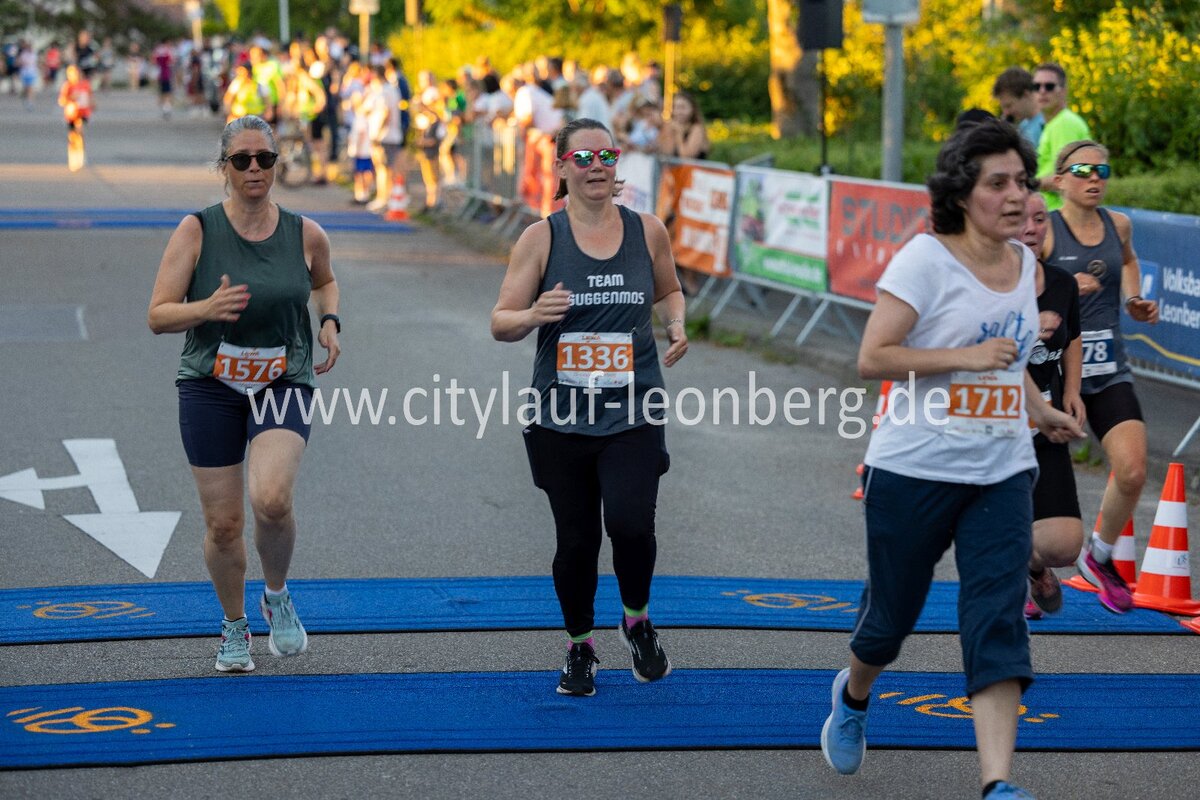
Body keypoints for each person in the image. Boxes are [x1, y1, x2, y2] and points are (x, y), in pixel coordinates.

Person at [820, 118, 1082, 799]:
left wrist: (1041, 411)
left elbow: (1009, 362)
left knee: (997, 618)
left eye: (1022, 181)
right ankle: (853, 696)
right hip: (914, 467)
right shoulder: (924, 261)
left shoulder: (1022, 264)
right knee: (890, 621)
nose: (1017, 196)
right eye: (998, 183)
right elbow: (874, 356)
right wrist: (965, 356)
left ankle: (998, 783)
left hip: (1001, 469)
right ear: (962, 194)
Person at [491, 118, 688, 698]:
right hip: (561, 418)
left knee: (631, 524)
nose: (596, 166)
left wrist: (676, 323)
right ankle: (580, 645)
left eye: (606, 155)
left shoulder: (647, 230)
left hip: (633, 411)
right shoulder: (541, 238)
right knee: (576, 543)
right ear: (561, 167)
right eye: (582, 157)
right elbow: (500, 321)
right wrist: (533, 315)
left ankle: (637, 620)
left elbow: (668, 289)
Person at [147, 115, 341, 673]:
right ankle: (234, 626)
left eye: (265, 159)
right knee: (224, 523)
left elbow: (325, 281)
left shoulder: (305, 233)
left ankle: (276, 595)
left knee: (272, 499)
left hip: (282, 377)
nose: (254, 169)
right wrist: (205, 308)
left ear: (276, 164)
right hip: (210, 385)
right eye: (242, 160)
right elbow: (158, 314)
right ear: (224, 167)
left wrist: (330, 322)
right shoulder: (197, 231)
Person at [1042, 139, 1160, 614]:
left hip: (1108, 367)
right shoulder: (1046, 232)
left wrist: (1133, 298)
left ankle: (1099, 555)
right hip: (1052, 373)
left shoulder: (1119, 225)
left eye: (1102, 170)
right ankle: (1032, 569)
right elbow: (1020, 288)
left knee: (1133, 470)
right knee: (1035, 481)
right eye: (1082, 170)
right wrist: (1064, 287)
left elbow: (1127, 260)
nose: (1094, 178)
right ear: (1059, 180)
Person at [1020, 191, 1085, 620]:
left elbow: (1073, 337)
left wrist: (1072, 391)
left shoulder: (1062, 283)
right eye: (1021, 219)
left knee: (1064, 545)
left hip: (1045, 427)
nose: (1031, 228)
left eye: (1040, 219)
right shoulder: (985, 286)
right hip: (990, 427)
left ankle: (1028, 564)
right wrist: (1027, 328)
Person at [1031, 63, 1089, 211]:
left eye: (1049, 86)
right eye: (1036, 86)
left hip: (1060, 216)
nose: (1042, 91)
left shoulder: (1064, 124)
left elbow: (1070, 178)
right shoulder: (1055, 123)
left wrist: (1030, 183)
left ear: (1063, 91)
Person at [992, 67, 1043, 148]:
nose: (1006, 113)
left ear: (1026, 95)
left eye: (1009, 106)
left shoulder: (1046, 124)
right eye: (1003, 107)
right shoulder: (1023, 126)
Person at [58, 64, 94, 172]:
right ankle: (73, 156)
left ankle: (80, 155)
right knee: (73, 136)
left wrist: (92, 105)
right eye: (72, 73)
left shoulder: (85, 84)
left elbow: (90, 97)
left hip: (83, 113)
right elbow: (61, 101)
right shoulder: (67, 86)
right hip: (71, 114)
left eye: (76, 73)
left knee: (79, 132)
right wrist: (71, 98)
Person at [657, 91, 709, 161]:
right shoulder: (672, 126)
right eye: (676, 107)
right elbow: (666, 153)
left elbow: (686, 157)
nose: (679, 112)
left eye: (683, 107)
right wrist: (666, 132)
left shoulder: (697, 129)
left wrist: (679, 135)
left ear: (692, 109)